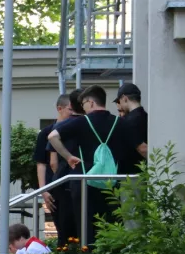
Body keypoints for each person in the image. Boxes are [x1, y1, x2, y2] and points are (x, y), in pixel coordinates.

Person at [48, 85, 147, 245]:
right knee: (112, 226)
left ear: (91, 102)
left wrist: (68, 157)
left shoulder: (81, 122)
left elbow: (52, 136)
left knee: (87, 230)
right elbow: (142, 148)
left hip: (85, 182)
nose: (83, 108)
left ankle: (87, 253)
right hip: (111, 184)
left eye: (84, 104)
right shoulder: (120, 122)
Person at [35, 95, 78, 245]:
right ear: (60, 109)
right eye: (70, 110)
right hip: (56, 187)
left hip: (71, 184)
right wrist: (44, 190)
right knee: (62, 228)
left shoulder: (77, 129)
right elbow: (42, 163)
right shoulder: (46, 133)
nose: (73, 114)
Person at [114, 83, 148, 177]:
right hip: (145, 173)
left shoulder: (127, 121)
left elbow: (142, 148)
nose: (120, 105)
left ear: (124, 98)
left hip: (130, 176)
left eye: (120, 101)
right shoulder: (147, 117)